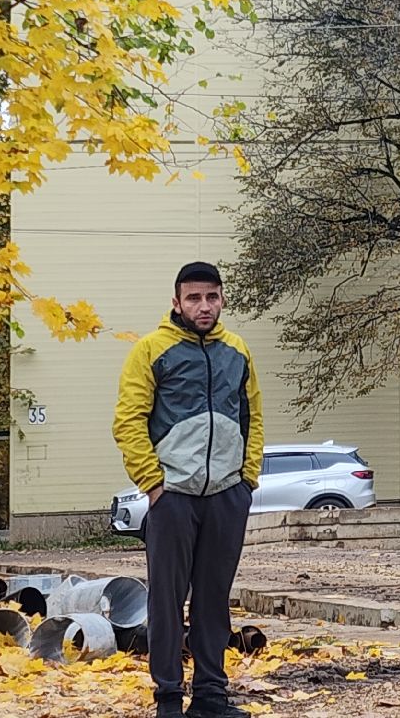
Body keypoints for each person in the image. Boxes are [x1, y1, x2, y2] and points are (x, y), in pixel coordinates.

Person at [113, 262, 263, 718]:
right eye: (194, 298)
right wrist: (154, 484)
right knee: (166, 598)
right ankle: (168, 699)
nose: (204, 306)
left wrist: (247, 480)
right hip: (173, 497)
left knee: (214, 599)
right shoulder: (151, 350)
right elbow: (128, 421)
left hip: (226, 495)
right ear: (176, 302)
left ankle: (211, 696)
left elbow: (252, 418)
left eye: (211, 297)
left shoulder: (237, 351)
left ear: (222, 299)